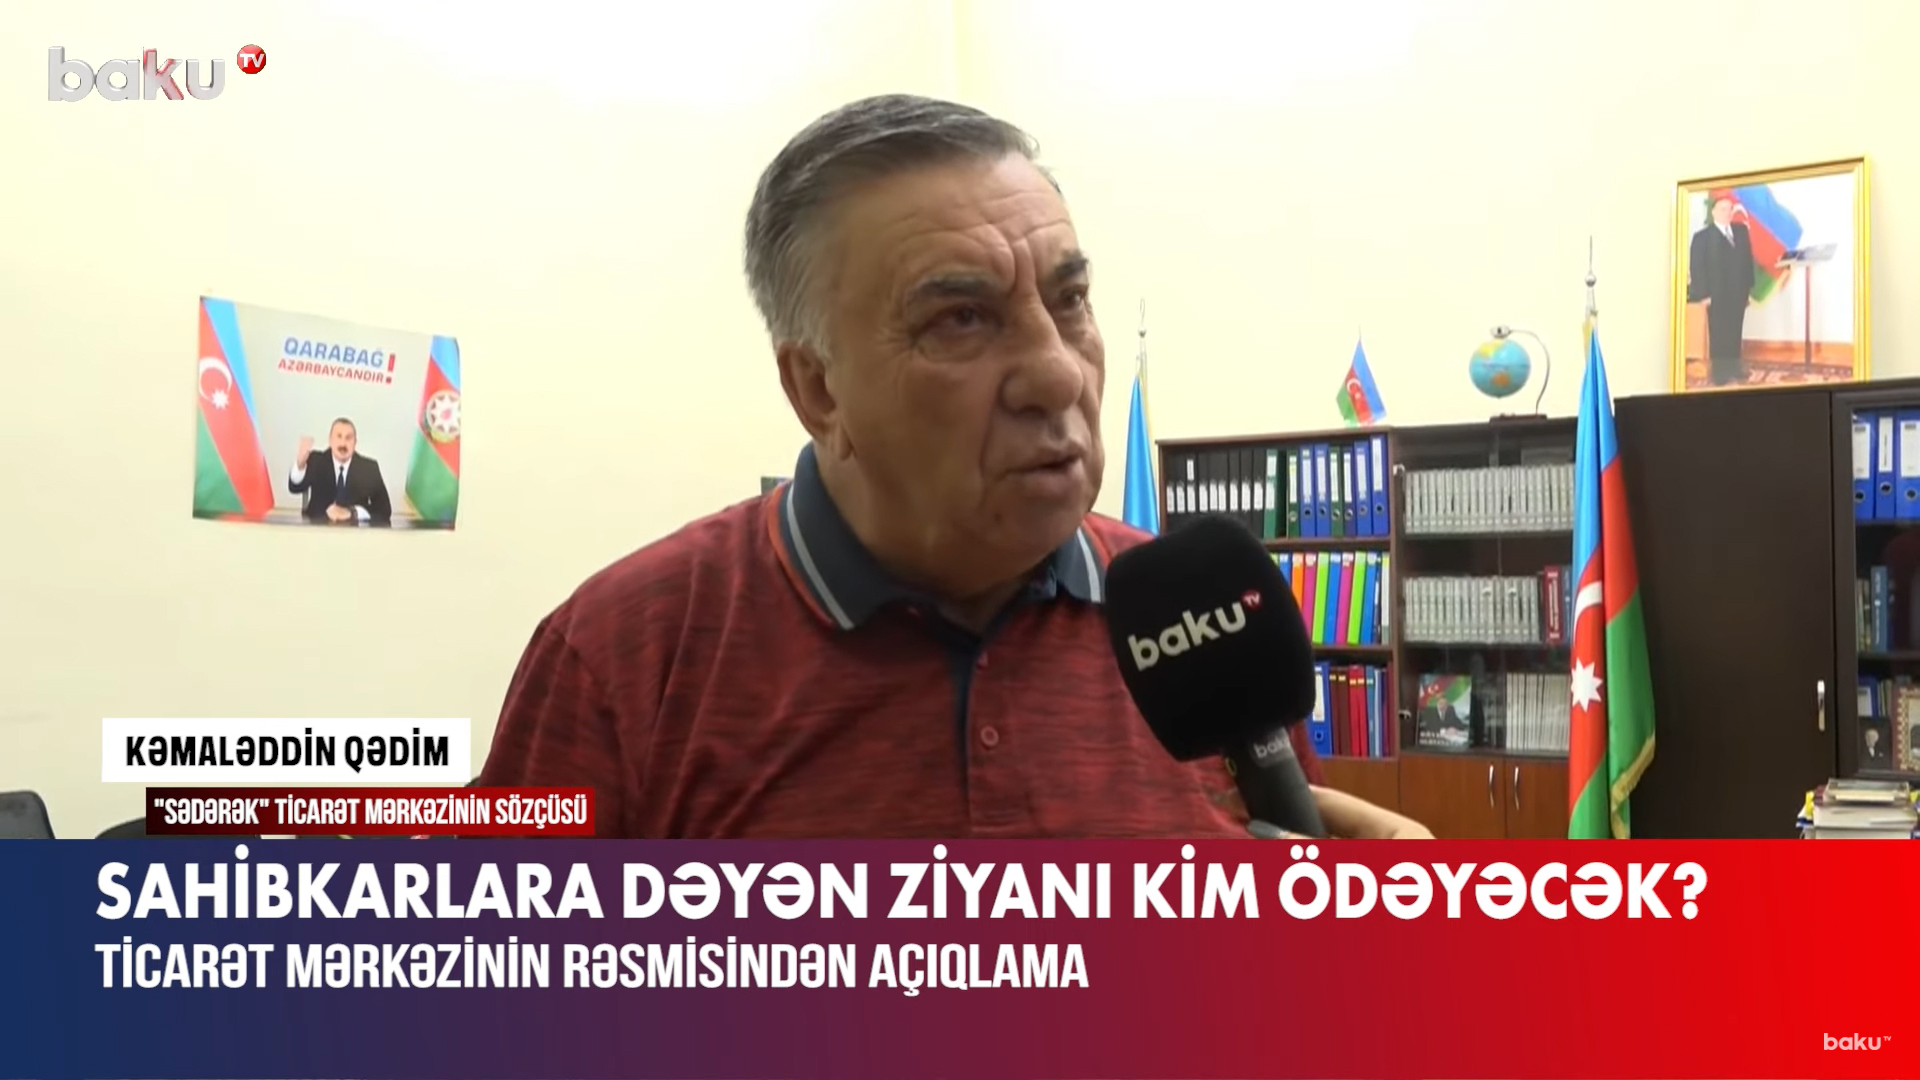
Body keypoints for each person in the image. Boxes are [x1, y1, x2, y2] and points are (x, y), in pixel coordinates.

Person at [478, 94, 1430, 840]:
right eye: (961, 319)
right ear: (818, 390)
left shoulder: (1199, 631)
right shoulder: (624, 660)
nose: (1058, 373)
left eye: (1070, 300)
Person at [1686, 193, 1756, 386]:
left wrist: (1748, 289)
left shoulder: (1740, 231)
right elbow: (1697, 267)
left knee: (1735, 331)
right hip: (1715, 295)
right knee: (1719, 334)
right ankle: (1720, 373)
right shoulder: (1702, 237)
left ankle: (1735, 368)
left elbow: (1747, 261)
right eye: (1723, 209)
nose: (1727, 213)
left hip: (1738, 293)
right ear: (1714, 212)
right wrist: (1703, 295)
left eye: (1730, 209)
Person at [289, 417, 392, 526]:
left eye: (348, 438)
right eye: (339, 437)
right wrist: (300, 466)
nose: (343, 443)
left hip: (355, 533)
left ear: (355, 443)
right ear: (330, 440)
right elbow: (295, 488)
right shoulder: (317, 461)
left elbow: (384, 510)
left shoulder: (369, 468)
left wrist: (352, 513)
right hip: (318, 530)